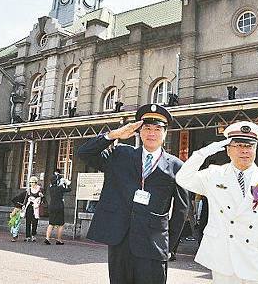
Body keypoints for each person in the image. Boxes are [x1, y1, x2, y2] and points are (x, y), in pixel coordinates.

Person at [77, 103, 189, 284]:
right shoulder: (121, 155)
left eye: (157, 129)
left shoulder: (176, 166)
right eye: (147, 128)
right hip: (121, 240)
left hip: (153, 244)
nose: (152, 133)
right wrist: (113, 135)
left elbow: (181, 210)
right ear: (139, 131)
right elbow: (84, 153)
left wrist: (169, 245)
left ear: (165, 133)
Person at [176, 121, 258, 284]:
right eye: (239, 145)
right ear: (228, 150)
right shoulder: (214, 175)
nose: (245, 151)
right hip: (224, 259)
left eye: (250, 146)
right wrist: (203, 153)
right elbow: (182, 178)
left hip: (257, 258)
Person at [45, 169, 71, 245]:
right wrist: (66, 183)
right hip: (59, 206)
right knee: (60, 224)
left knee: (51, 223)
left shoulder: (50, 188)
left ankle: (47, 238)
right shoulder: (60, 188)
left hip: (52, 205)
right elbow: (69, 189)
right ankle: (59, 239)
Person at [21, 176, 44, 242]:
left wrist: (41, 196)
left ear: (36, 182)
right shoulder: (29, 189)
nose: (31, 184)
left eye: (32, 182)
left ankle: (33, 235)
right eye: (30, 182)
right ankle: (27, 236)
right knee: (28, 221)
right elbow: (26, 198)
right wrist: (24, 205)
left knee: (35, 221)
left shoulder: (40, 189)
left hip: (36, 207)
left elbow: (43, 198)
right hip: (29, 206)